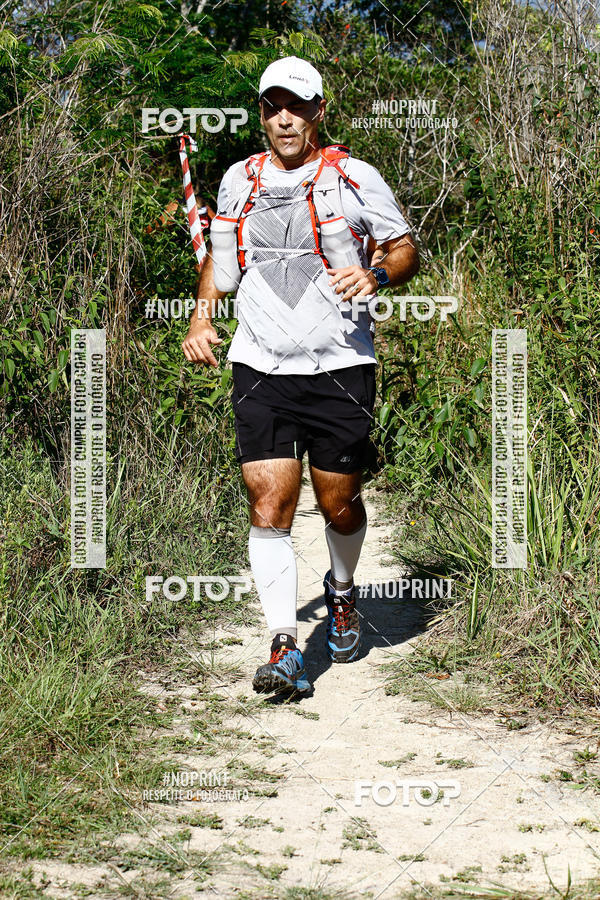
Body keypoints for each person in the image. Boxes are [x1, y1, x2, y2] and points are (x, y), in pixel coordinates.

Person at [182, 56, 419, 695]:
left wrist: (376, 275)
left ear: (318, 111)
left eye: (296, 106)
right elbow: (221, 264)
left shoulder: (354, 177)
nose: (283, 119)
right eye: (271, 107)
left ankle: (341, 590)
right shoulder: (239, 180)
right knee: (268, 505)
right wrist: (203, 318)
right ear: (262, 114)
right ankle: (285, 644)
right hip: (260, 365)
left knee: (339, 503)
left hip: (341, 365)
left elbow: (405, 248)